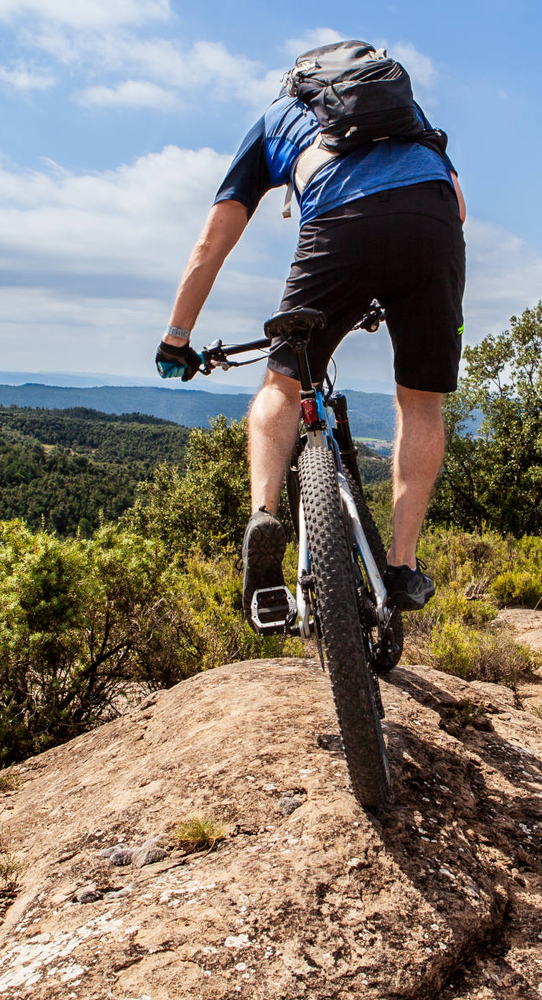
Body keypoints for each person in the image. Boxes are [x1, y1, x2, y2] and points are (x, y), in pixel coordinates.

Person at [155, 40, 466, 620]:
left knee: (283, 383)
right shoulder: (405, 111)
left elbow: (212, 243)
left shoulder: (278, 117)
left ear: (296, 81)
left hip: (339, 224)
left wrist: (177, 337)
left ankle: (266, 519)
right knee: (420, 402)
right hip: (433, 224)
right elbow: (459, 204)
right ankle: (400, 566)